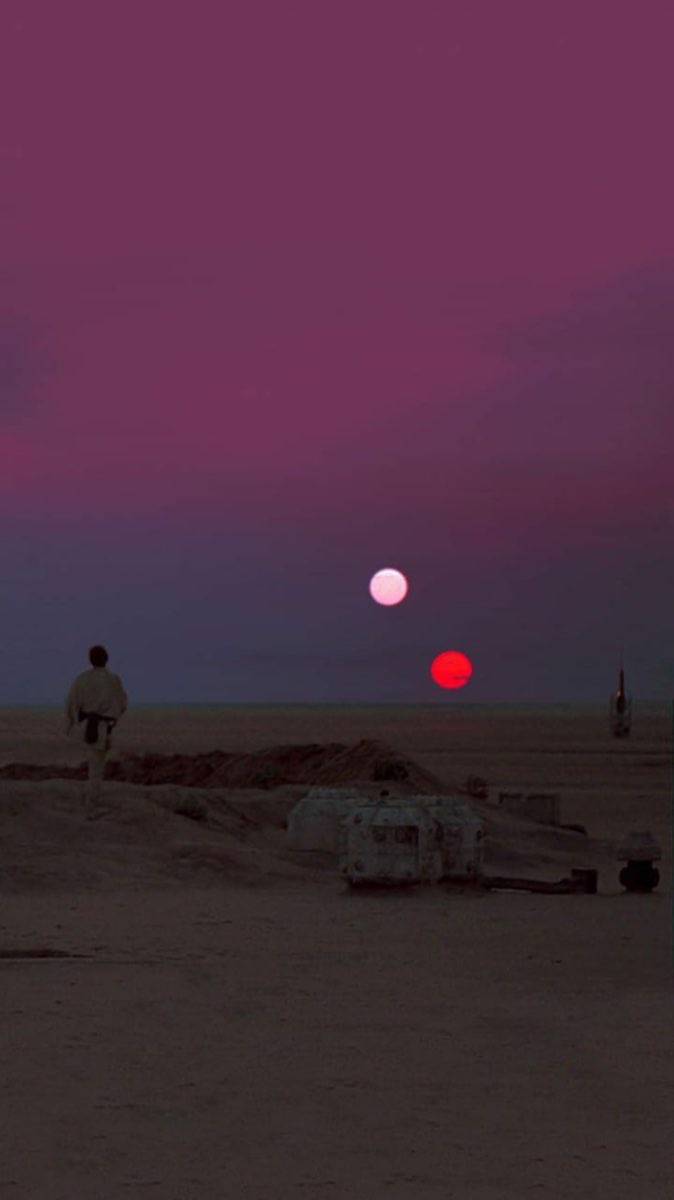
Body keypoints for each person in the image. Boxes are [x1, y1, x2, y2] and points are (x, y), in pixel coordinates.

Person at [65, 645, 128, 799]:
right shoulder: (113, 679)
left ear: (90, 660)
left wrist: (71, 724)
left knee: (95, 761)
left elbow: (71, 703)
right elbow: (122, 704)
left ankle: (94, 794)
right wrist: (113, 717)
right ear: (106, 659)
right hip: (105, 726)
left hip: (88, 725)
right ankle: (94, 796)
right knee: (97, 762)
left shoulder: (82, 679)